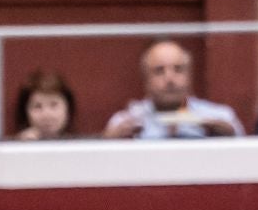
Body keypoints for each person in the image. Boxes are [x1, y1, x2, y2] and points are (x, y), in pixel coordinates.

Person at [103, 39, 244, 139]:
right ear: (146, 80)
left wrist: (228, 138)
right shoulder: (125, 122)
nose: (170, 79)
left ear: (189, 75)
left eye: (178, 69)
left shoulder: (220, 117)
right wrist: (110, 141)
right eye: (159, 71)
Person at [12, 69, 77, 140]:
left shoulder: (80, 147)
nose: (46, 115)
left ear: (68, 108)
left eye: (54, 105)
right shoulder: (13, 148)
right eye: (37, 106)